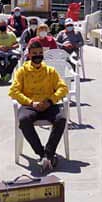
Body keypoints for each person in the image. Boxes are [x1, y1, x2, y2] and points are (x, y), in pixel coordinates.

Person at [9, 41, 69, 173]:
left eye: (40, 53)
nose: (38, 56)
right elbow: (13, 91)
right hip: (30, 105)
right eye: (34, 53)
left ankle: (48, 153)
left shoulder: (50, 71)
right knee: (24, 120)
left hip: (48, 104)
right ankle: (42, 154)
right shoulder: (22, 71)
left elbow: (63, 88)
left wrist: (50, 100)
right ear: (29, 55)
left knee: (61, 119)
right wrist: (30, 102)